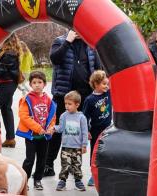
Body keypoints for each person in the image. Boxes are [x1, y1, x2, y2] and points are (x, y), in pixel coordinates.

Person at [45, 29, 101, 176]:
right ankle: (48, 165)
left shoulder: (90, 44)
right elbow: (55, 59)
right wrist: (67, 41)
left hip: (85, 96)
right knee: (57, 130)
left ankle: (76, 167)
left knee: (82, 131)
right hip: (64, 96)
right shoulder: (60, 41)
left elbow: (97, 67)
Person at [16, 71, 56, 190]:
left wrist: (50, 128)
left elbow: (52, 116)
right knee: (29, 160)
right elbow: (24, 116)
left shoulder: (48, 99)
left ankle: (38, 180)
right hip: (32, 137)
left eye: (40, 82)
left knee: (42, 160)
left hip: (44, 137)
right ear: (30, 84)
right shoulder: (27, 99)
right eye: (34, 82)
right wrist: (38, 129)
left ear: (44, 84)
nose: (37, 85)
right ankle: (24, 180)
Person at [82, 70, 112, 186]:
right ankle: (93, 176)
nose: (107, 86)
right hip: (95, 131)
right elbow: (84, 117)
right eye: (104, 84)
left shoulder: (108, 93)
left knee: (107, 152)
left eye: (107, 84)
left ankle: (104, 174)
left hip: (108, 129)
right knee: (95, 153)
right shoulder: (89, 100)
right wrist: (87, 130)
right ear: (95, 84)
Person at [0, 33, 21, 148]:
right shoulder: (12, 52)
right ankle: (10, 138)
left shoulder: (8, 54)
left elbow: (2, 71)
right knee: (6, 109)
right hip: (10, 84)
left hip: (5, 84)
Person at [55, 91, 88, 191]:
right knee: (65, 164)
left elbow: (84, 132)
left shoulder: (81, 118)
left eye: (70, 104)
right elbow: (61, 128)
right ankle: (62, 181)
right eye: (66, 103)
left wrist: (84, 145)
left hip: (77, 147)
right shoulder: (64, 116)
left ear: (77, 104)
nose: (67, 106)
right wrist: (53, 128)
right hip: (66, 146)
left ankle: (78, 181)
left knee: (77, 164)